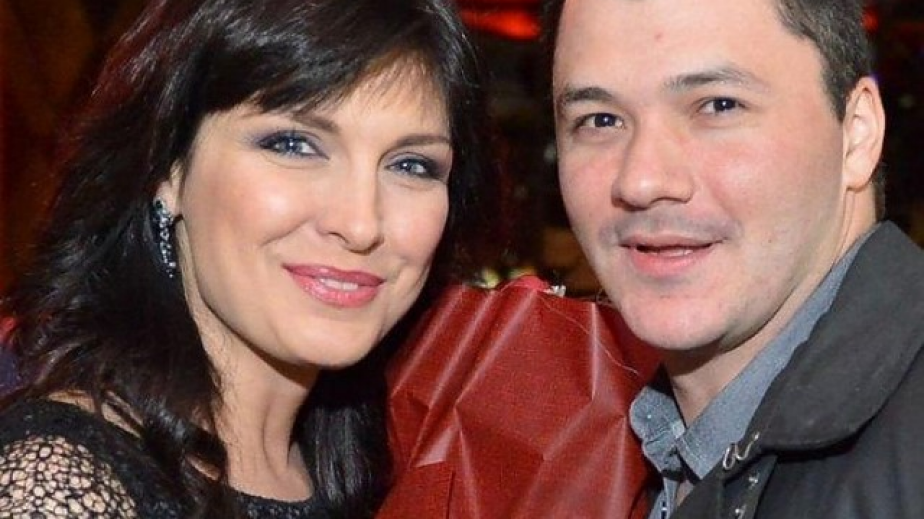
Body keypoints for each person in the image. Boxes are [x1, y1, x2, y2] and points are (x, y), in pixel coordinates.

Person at [0, 0, 493, 517]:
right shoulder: (60, 487)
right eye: (294, 144)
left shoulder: (383, 468)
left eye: (411, 165)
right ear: (167, 168)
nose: (360, 224)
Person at [546, 0, 924, 517]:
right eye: (600, 120)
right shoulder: (577, 457)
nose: (642, 180)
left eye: (718, 106)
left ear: (856, 134)